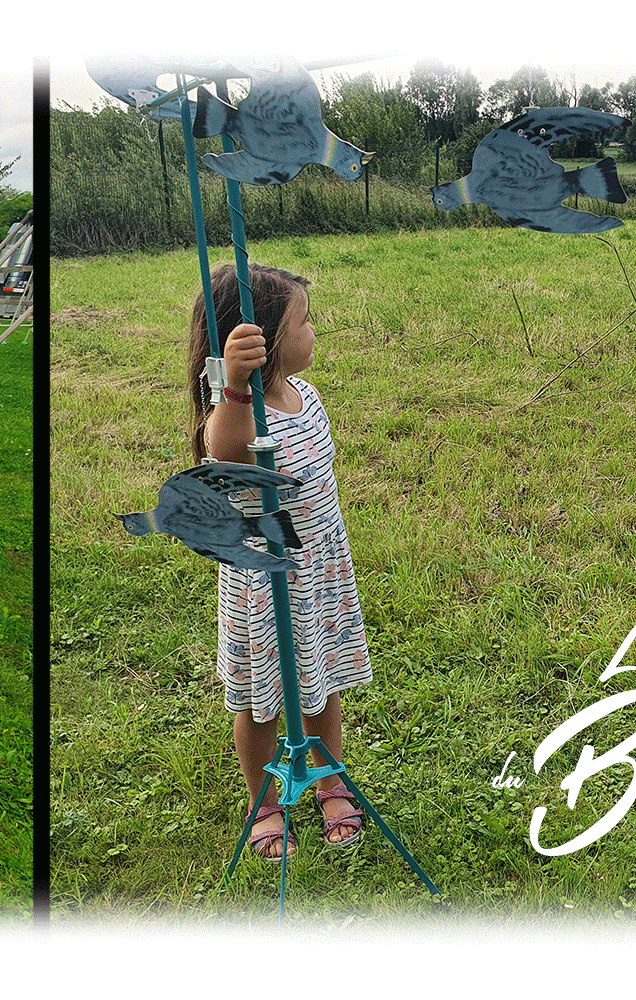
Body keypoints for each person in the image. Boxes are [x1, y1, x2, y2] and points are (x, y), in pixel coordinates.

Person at [185, 262, 373, 859]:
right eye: (303, 323)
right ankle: (264, 802)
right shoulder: (240, 414)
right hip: (266, 584)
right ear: (261, 339)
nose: (314, 332)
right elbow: (226, 450)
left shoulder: (304, 395)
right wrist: (236, 387)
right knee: (259, 700)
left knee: (326, 681)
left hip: (318, 572)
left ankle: (330, 778)